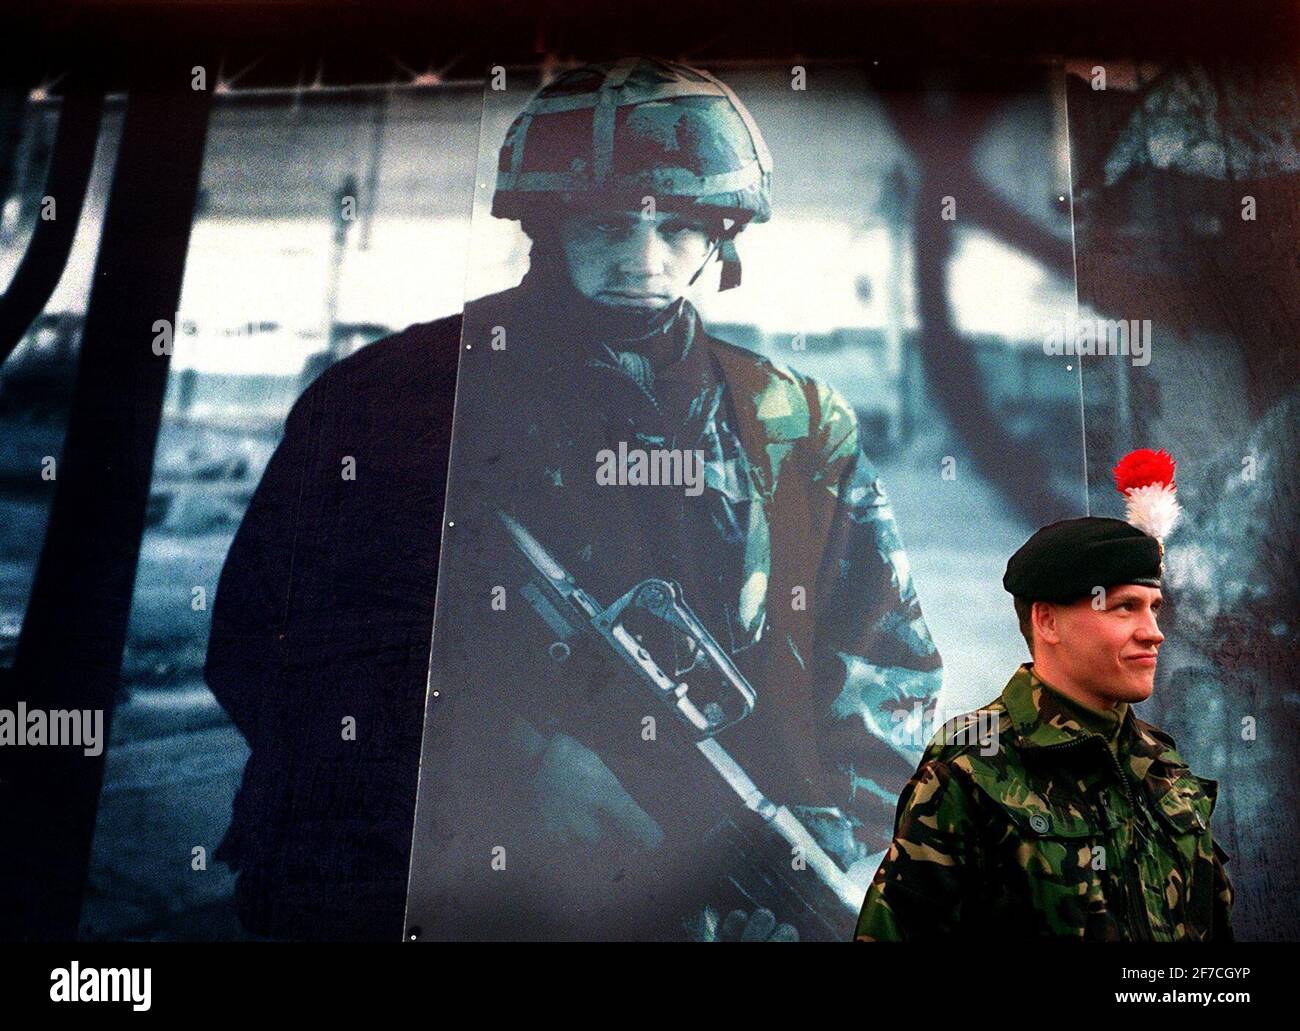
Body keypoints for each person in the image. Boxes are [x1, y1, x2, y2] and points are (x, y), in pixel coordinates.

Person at [207, 55, 942, 941]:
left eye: (679, 226)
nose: (644, 257)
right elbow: (267, 642)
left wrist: (800, 854)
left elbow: (885, 668)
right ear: (545, 225)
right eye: (605, 224)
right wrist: (510, 763)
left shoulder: (795, 423)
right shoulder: (391, 399)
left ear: (724, 239)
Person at [854, 512, 1235, 941]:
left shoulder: (1163, 766)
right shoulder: (972, 770)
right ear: (1048, 621)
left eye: (1154, 609)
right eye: (1126, 607)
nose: (1154, 633)